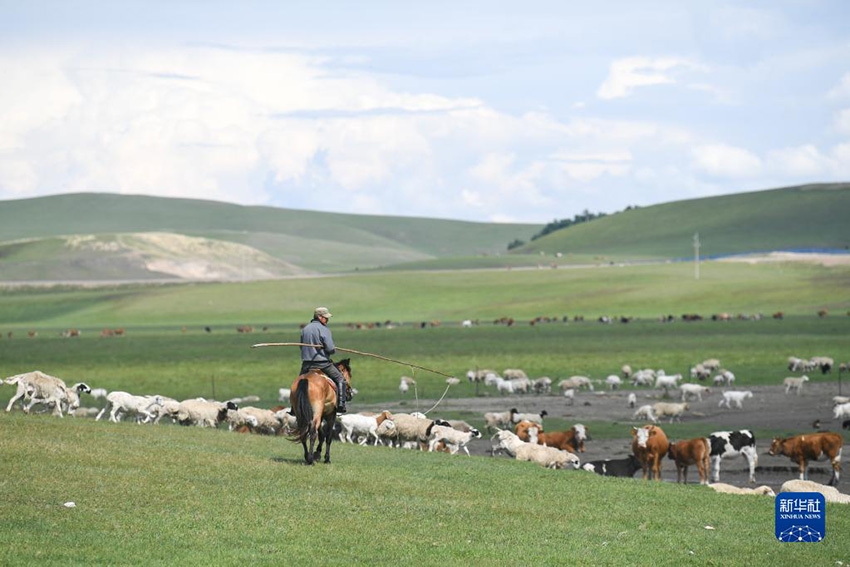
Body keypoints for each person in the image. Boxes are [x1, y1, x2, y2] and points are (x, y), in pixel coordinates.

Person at [300, 307, 350, 413]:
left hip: (306, 364)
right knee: (341, 379)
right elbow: (330, 349)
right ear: (319, 317)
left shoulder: (305, 329)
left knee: (299, 383)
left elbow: (301, 347)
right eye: (325, 318)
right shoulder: (324, 329)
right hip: (322, 363)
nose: (327, 320)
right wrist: (330, 349)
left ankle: (294, 407)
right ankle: (341, 404)